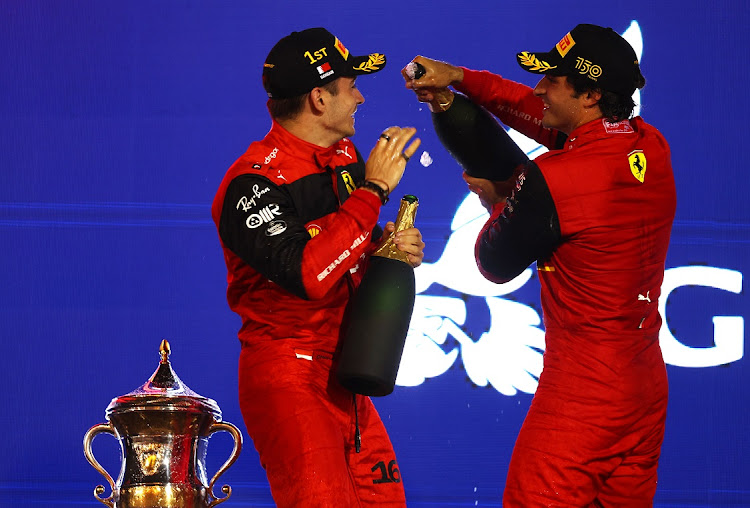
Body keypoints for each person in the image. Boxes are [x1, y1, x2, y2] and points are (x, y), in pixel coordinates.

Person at [404, 24, 676, 506]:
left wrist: (499, 201)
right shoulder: (648, 144)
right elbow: (536, 115)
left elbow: (492, 264)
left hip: (582, 396)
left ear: (590, 94)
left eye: (554, 80)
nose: (539, 89)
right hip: (644, 389)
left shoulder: (556, 178)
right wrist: (460, 78)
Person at [212, 27, 423, 507]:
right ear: (319, 99)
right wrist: (374, 192)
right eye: (351, 88)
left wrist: (386, 246)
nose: (361, 97)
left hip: (348, 371)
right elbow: (309, 274)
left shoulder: (344, 156)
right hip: (290, 376)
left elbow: (343, 245)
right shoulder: (252, 185)